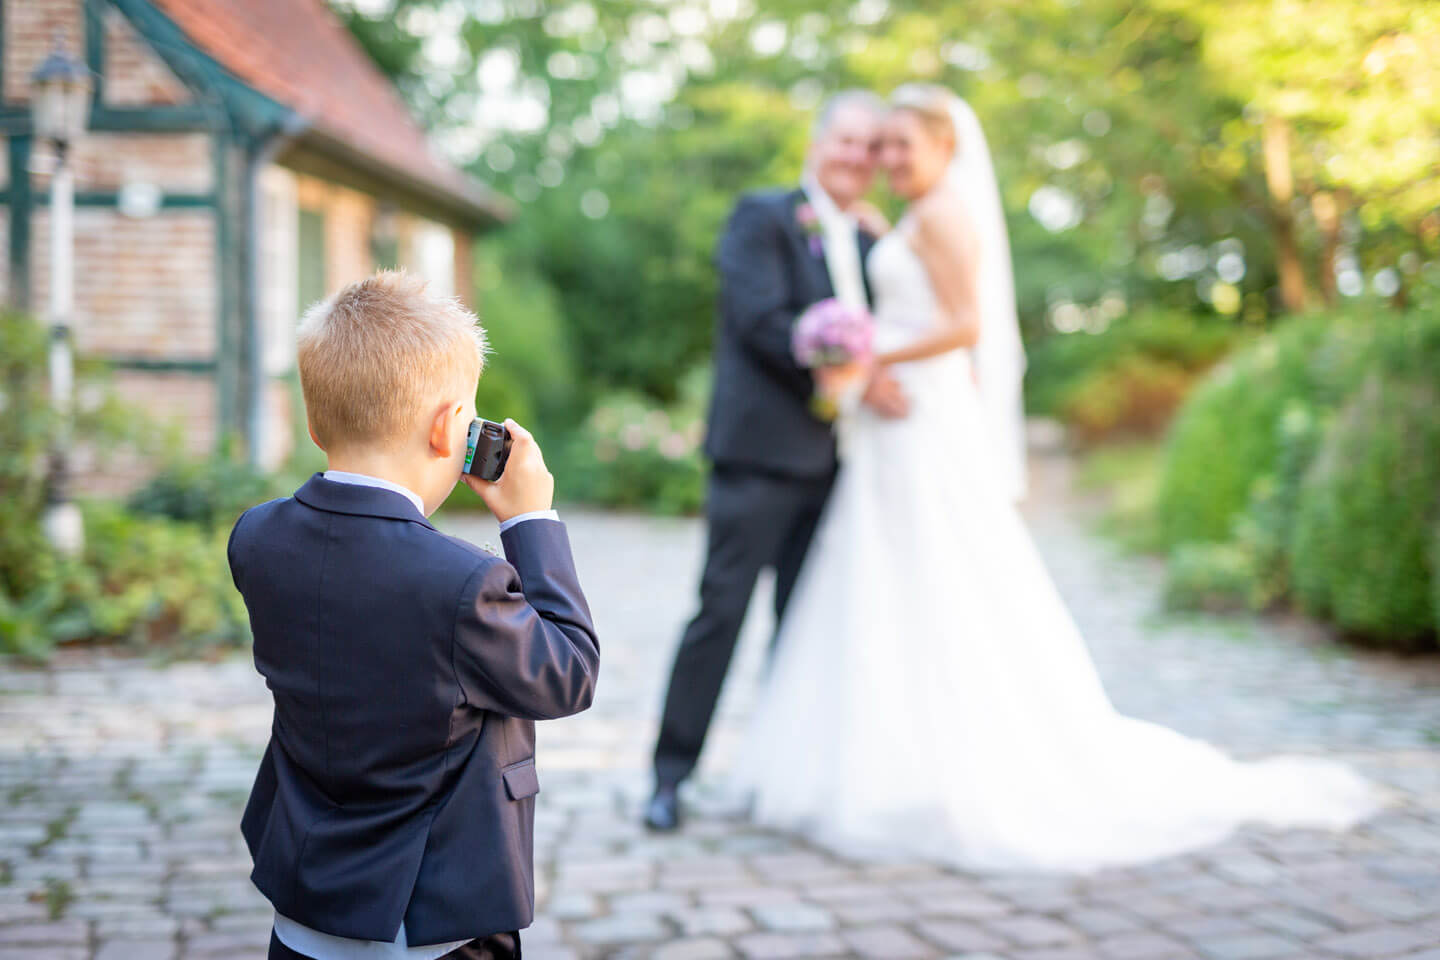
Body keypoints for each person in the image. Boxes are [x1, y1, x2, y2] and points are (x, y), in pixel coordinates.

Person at [735, 85, 1381, 872]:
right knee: (884, 576)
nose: (889, 158)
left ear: (945, 146)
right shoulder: (908, 217)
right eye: (884, 145)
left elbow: (965, 324)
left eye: (904, 143)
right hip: (894, 428)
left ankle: (943, 765)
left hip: (921, 417)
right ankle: (885, 762)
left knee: (941, 574)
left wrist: (867, 355)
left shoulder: (943, 214)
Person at [228, 271, 600, 959]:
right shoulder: (462, 582)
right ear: (447, 429)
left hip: (303, 910)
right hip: (431, 926)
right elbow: (568, 674)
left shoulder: (256, 537)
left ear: (313, 422)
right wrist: (530, 521)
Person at [643, 91, 908, 832]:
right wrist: (853, 374)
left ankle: (780, 776)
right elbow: (760, 321)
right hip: (759, 456)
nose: (856, 156)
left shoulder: (872, 243)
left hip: (843, 467)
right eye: (845, 140)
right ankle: (670, 776)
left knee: (807, 626)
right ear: (818, 143)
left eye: (870, 146)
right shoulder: (762, 216)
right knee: (721, 613)